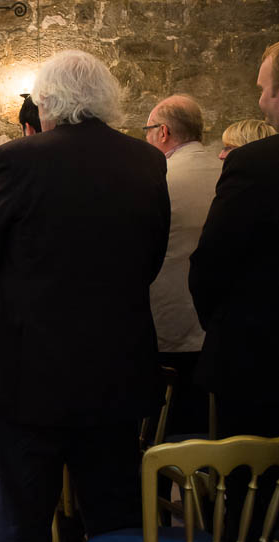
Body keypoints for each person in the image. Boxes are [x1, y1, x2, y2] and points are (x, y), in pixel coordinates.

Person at [0, 50, 170, 542]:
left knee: (24, 517)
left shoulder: (18, 158)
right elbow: (151, 257)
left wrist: (24, 306)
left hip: (30, 369)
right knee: (113, 513)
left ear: (46, 102)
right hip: (117, 364)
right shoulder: (146, 158)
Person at [189, 41, 279, 542]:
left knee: (249, 490)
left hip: (257, 357)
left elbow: (210, 265)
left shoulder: (256, 165)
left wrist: (220, 325)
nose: (262, 101)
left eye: (266, 90)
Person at [144, 94, 220, 436]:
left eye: (147, 130)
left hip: (166, 321)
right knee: (202, 424)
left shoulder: (159, 177)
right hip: (212, 322)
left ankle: (155, 484)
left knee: (161, 427)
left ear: (162, 132)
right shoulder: (225, 171)